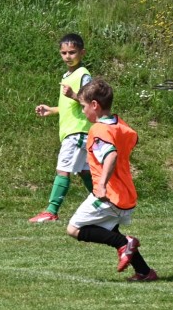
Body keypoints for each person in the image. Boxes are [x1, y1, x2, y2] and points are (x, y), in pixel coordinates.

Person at [66, 80, 157, 282]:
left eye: (83, 106)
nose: (83, 111)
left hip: (109, 194)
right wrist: (75, 96)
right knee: (108, 228)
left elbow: (111, 155)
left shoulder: (98, 130)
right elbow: (133, 138)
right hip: (125, 193)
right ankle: (145, 272)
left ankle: (124, 243)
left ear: (95, 105)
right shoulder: (119, 124)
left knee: (73, 229)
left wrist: (101, 185)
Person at [29, 33, 94, 223]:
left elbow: (90, 101)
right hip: (75, 131)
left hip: (77, 131)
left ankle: (51, 211)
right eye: (64, 53)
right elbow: (69, 106)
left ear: (82, 53)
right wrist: (52, 110)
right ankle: (106, 204)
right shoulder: (67, 76)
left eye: (72, 52)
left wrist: (73, 94)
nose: (67, 56)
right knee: (84, 172)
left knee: (63, 169)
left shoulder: (83, 75)